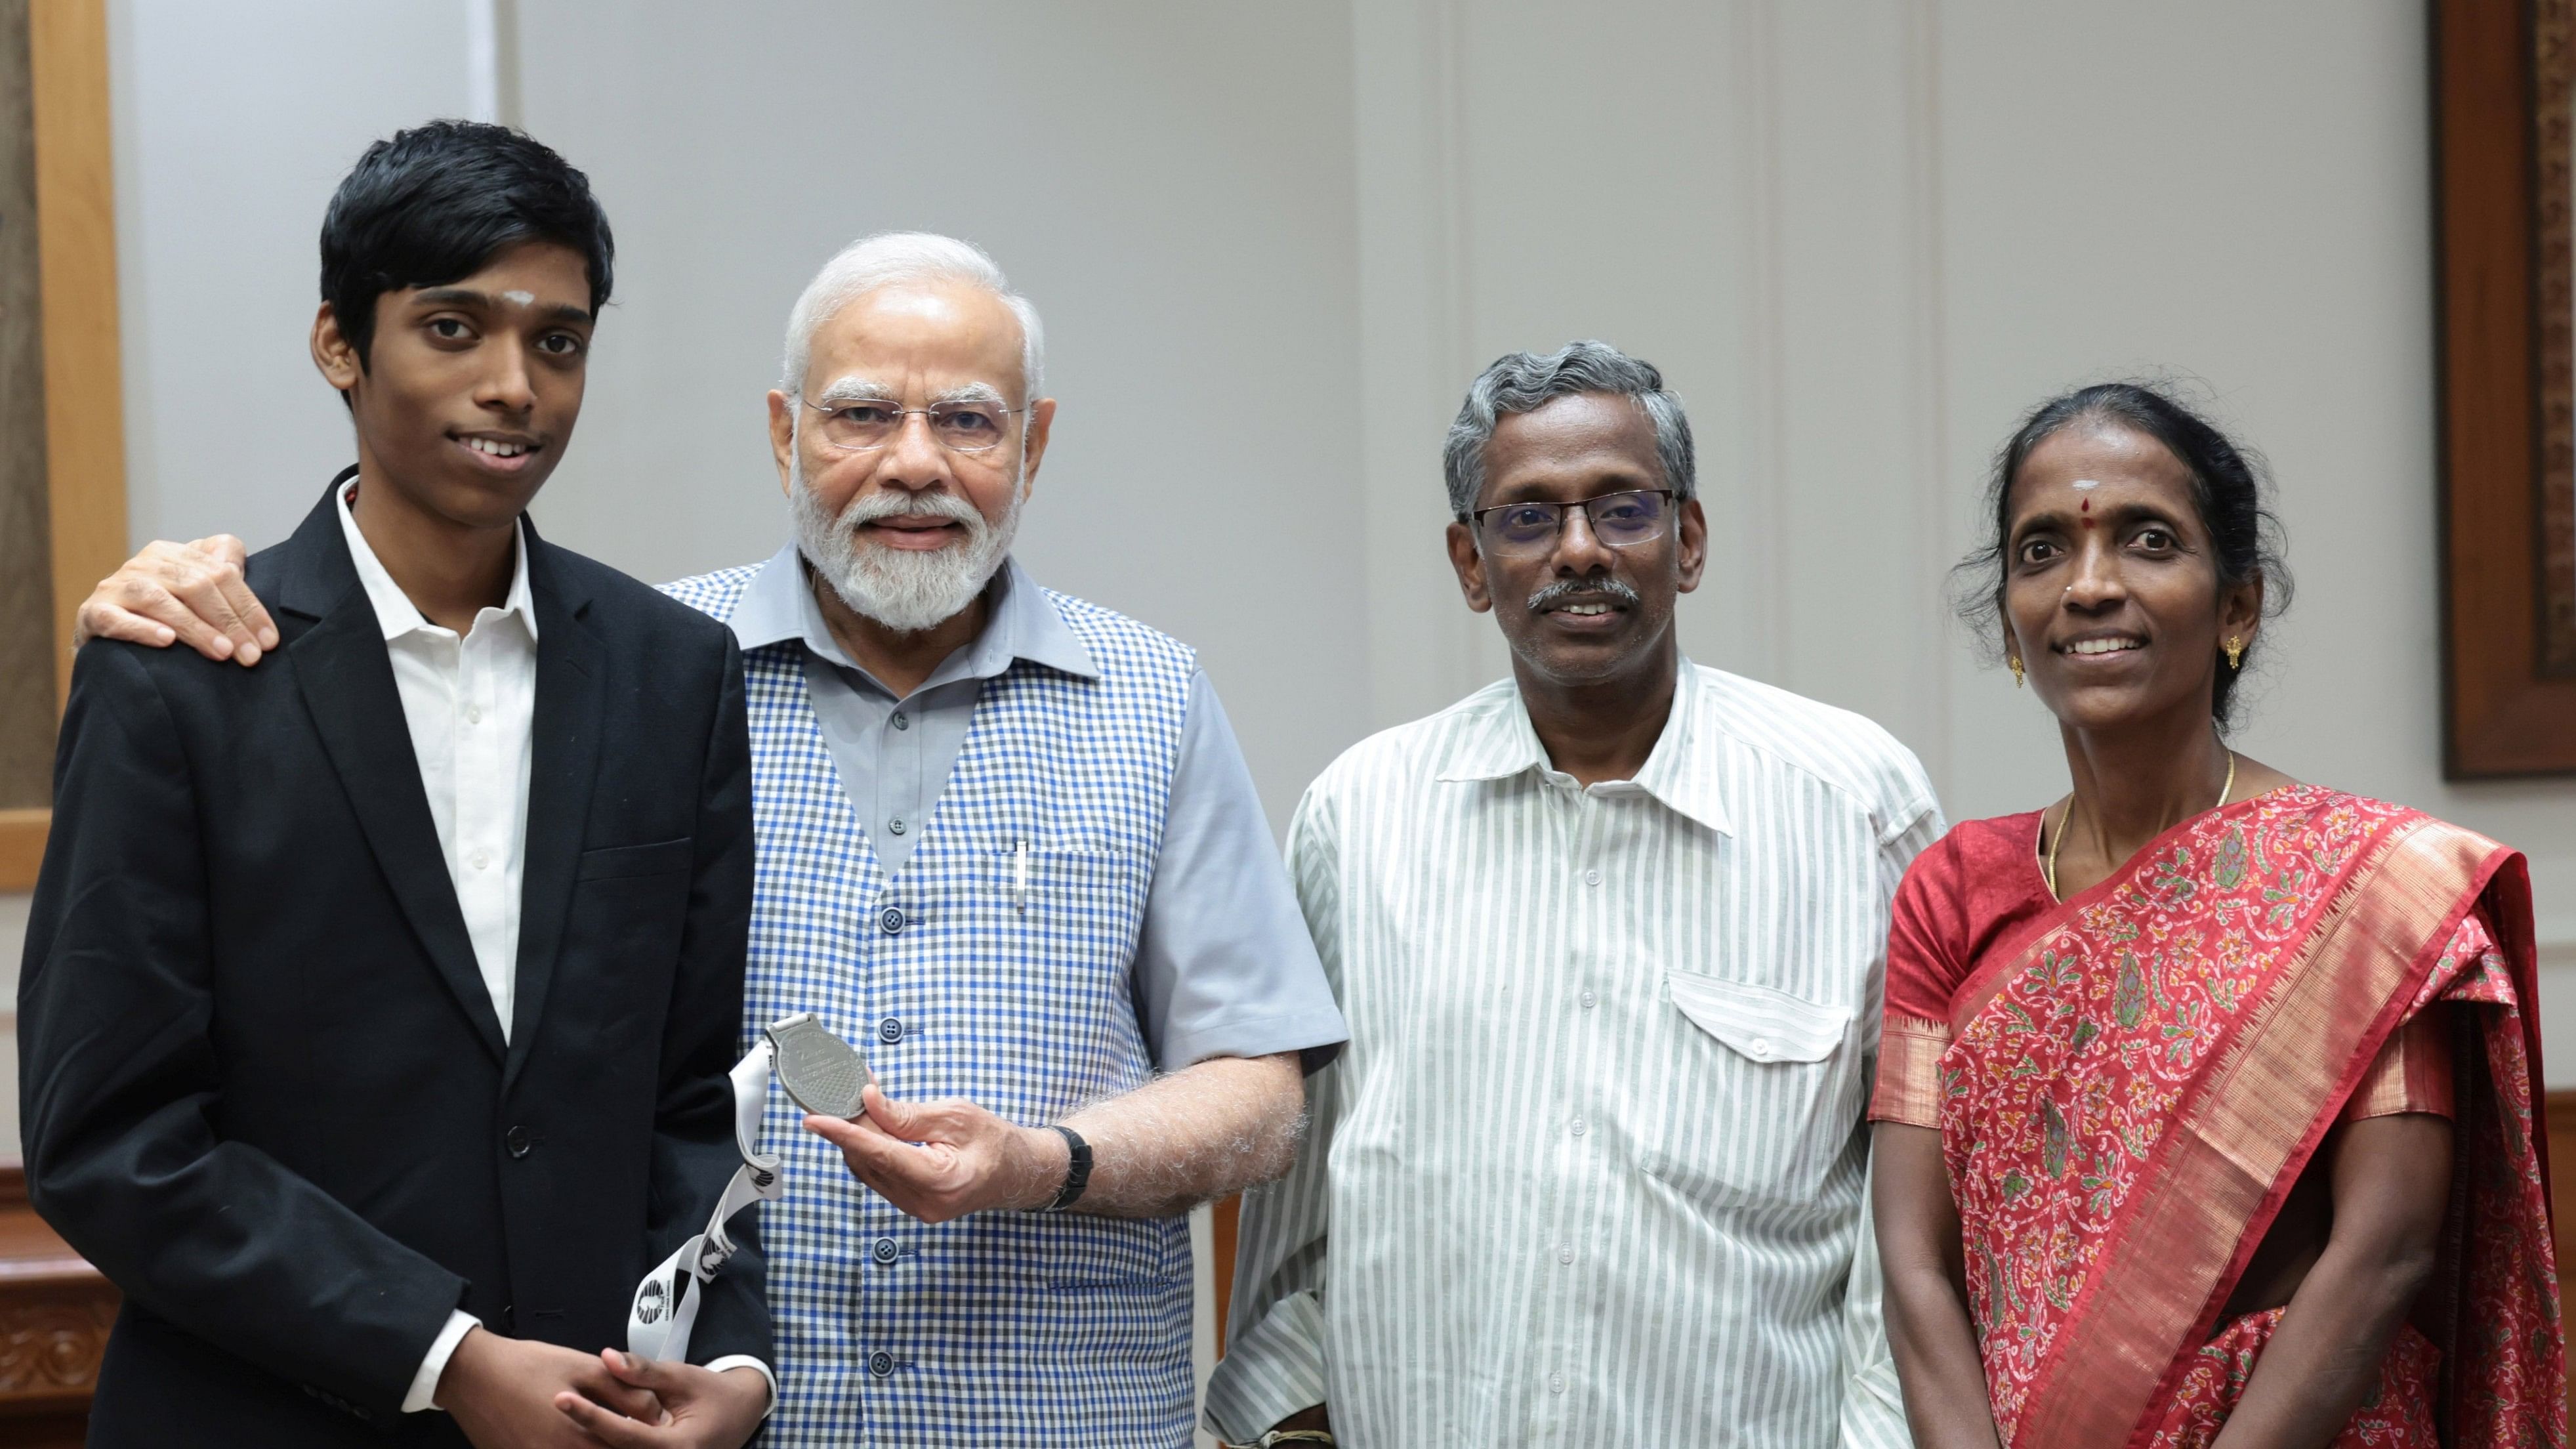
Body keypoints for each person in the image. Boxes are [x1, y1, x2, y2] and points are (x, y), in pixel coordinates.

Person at [72, 229, 1348, 1448]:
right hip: (713, 1417)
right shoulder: (644, 672)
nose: (915, 462)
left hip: (1056, 1412)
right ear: (785, 431)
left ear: (1036, 443)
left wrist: (1044, 1162)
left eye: (967, 418)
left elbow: (1258, 1096)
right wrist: (176, 596)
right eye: (859, 415)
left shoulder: (1152, 699)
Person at [19, 121, 774, 1448]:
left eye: (557, 340)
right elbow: (113, 1138)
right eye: (451, 328)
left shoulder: (675, 674)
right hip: (254, 1415)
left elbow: (687, 1098)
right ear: (339, 345)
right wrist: (449, 1356)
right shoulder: (182, 671)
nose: (514, 386)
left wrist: (729, 1361)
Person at [1209, 342, 1938, 1448]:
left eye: (1622, 509)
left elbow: (1911, 1220)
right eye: (1528, 518)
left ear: (1686, 540)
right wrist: (1289, 1416)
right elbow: (1295, 1203)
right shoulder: (1360, 815)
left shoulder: (1854, 801)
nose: (1580, 550)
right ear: (1469, 563)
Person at [1869, 381, 2564, 1448]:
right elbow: (1916, 1264)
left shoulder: (2368, 887)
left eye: (2148, 541)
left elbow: (2384, 1249)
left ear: (2235, 605)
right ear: (2010, 617)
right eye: (2041, 550)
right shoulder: (1953, 889)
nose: (2088, 585)